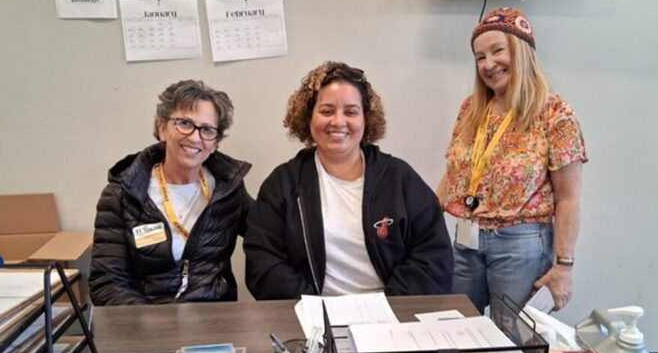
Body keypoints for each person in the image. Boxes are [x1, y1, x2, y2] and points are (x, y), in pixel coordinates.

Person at [244, 61, 453, 300]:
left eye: (351, 112)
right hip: (311, 318)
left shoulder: (399, 178)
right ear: (308, 117)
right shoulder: (283, 184)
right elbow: (263, 261)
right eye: (326, 111)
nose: (338, 122)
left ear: (366, 119)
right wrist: (313, 308)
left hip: (391, 315)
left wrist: (387, 306)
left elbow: (433, 256)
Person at [436, 8, 588, 313]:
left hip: (521, 246)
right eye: (480, 57)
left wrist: (564, 268)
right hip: (467, 240)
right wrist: (418, 223)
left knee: (512, 340)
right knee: (457, 329)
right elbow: (454, 175)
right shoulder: (471, 110)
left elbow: (568, 199)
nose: (488, 64)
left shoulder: (555, 114)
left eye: (497, 51)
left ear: (521, 51)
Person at [89, 80, 252, 305]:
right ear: (162, 128)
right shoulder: (121, 195)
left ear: (216, 143)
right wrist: (154, 326)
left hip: (212, 320)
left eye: (207, 130)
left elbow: (271, 235)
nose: (195, 137)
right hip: (145, 325)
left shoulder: (228, 189)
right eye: (184, 123)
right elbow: (107, 283)